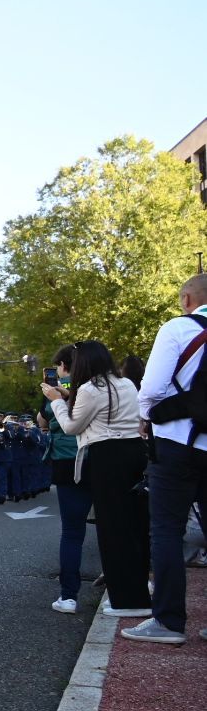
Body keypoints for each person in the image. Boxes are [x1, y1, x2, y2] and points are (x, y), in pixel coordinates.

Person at [44, 340, 150, 624]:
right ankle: (140, 590)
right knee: (133, 526)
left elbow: (71, 426)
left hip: (107, 455)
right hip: (133, 452)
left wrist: (56, 401)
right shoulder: (125, 383)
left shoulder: (91, 389)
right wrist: (67, 394)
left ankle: (127, 601)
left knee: (111, 530)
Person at [128, 274, 207, 644]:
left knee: (166, 530)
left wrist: (146, 416)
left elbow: (155, 386)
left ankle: (169, 621)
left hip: (176, 441)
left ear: (188, 298)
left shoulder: (179, 328)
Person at [41, 346, 91, 613]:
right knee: (112, 527)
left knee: (72, 532)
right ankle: (125, 588)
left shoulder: (56, 393)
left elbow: (44, 420)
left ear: (62, 365)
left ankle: (68, 596)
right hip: (99, 459)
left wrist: (55, 397)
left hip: (67, 460)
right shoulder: (101, 386)